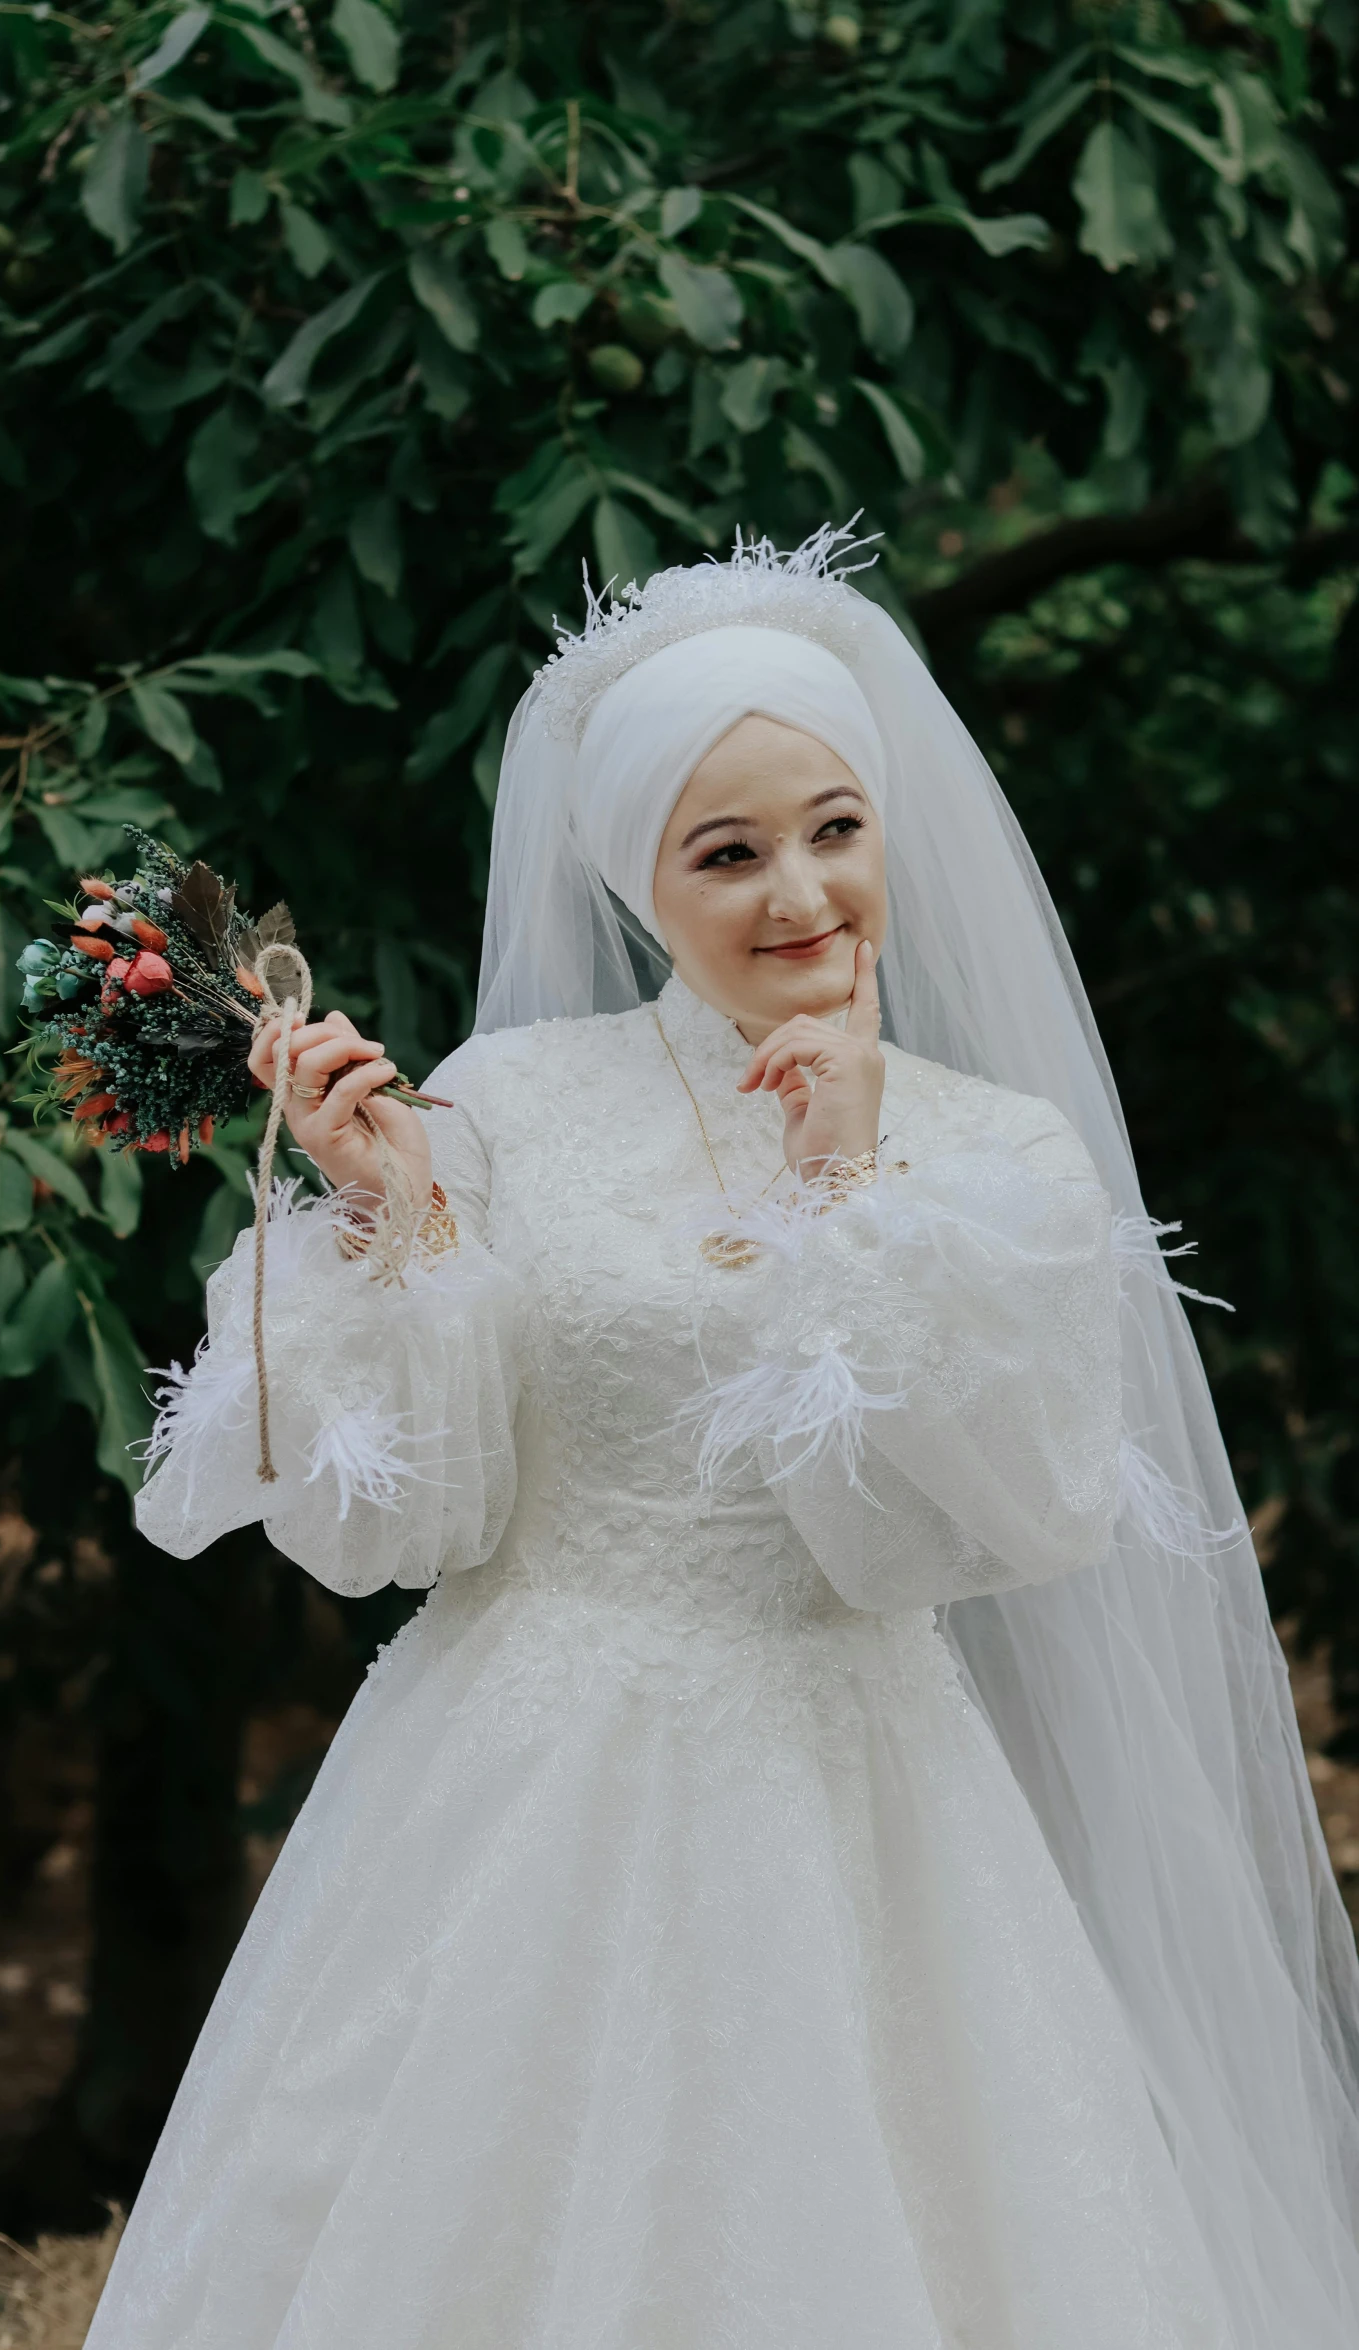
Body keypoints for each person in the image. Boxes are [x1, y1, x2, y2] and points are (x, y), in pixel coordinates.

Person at [82, 528, 1359, 2350]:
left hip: (856, 1783)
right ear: (637, 880)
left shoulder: (995, 1151)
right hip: (515, 1776)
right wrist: (394, 1215)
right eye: (727, 850)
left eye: (835, 827)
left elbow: (983, 1522)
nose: (800, 891)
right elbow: (420, 1514)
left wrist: (850, 1185)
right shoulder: (515, 1097)